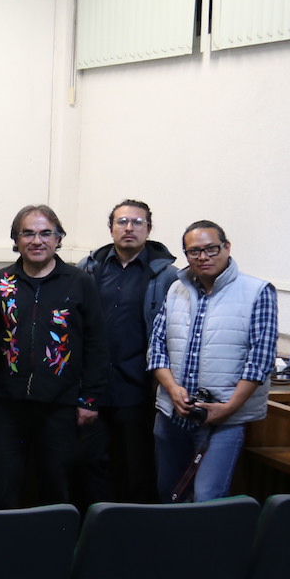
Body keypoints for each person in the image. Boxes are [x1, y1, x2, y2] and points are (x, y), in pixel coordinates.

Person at [0, 205, 108, 509]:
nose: (37, 240)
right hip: (5, 404)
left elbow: (96, 343)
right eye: (28, 233)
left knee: (55, 483)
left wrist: (90, 398)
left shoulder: (79, 282)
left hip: (60, 404)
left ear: (58, 238)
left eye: (46, 233)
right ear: (16, 239)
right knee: (2, 483)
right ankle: (2, 547)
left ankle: (52, 550)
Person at [148, 221, 277, 502]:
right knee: (169, 493)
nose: (203, 257)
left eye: (211, 249)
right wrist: (172, 390)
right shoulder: (175, 289)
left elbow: (260, 360)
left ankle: (205, 548)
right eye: (194, 251)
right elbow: (157, 347)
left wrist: (227, 408)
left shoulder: (258, 291)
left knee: (207, 497)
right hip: (173, 414)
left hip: (223, 419)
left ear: (226, 247)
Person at [77, 199, 180, 503]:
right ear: (111, 228)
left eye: (137, 222)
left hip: (137, 385)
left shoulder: (166, 275)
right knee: (91, 463)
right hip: (93, 386)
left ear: (149, 229)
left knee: (136, 465)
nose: (129, 228)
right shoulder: (89, 268)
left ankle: (131, 533)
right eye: (122, 222)